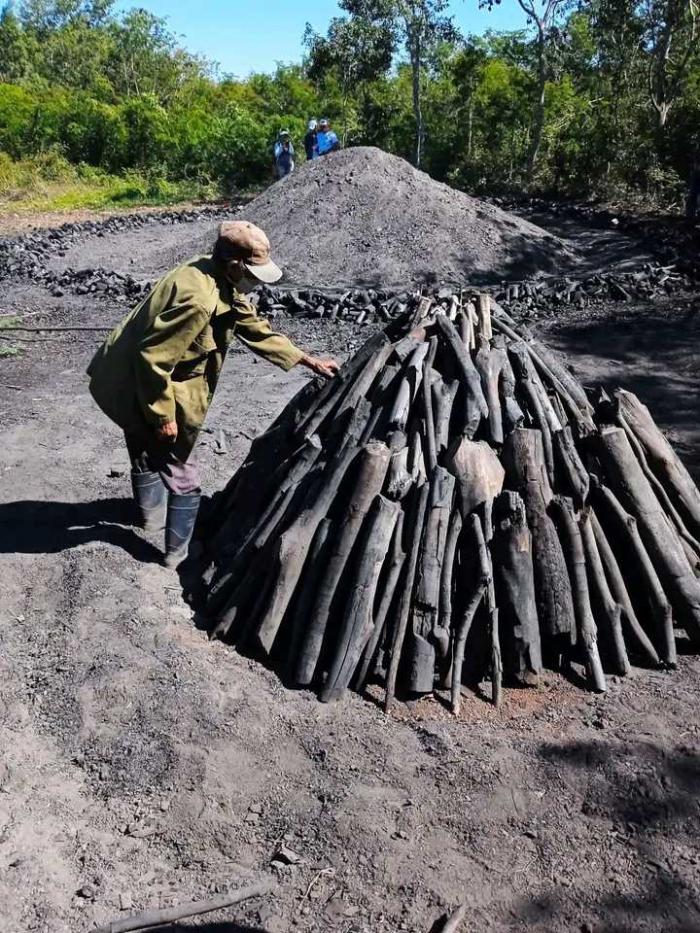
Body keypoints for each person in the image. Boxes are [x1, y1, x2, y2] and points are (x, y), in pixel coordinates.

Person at [87, 221, 339, 568]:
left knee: (143, 448)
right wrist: (163, 417)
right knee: (183, 475)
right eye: (253, 273)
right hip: (142, 383)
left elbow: (251, 324)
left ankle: (149, 518)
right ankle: (176, 556)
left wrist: (306, 359)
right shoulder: (199, 300)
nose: (256, 282)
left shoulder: (210, 271)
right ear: (235, 264)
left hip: (130, 377)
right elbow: (153, 359)